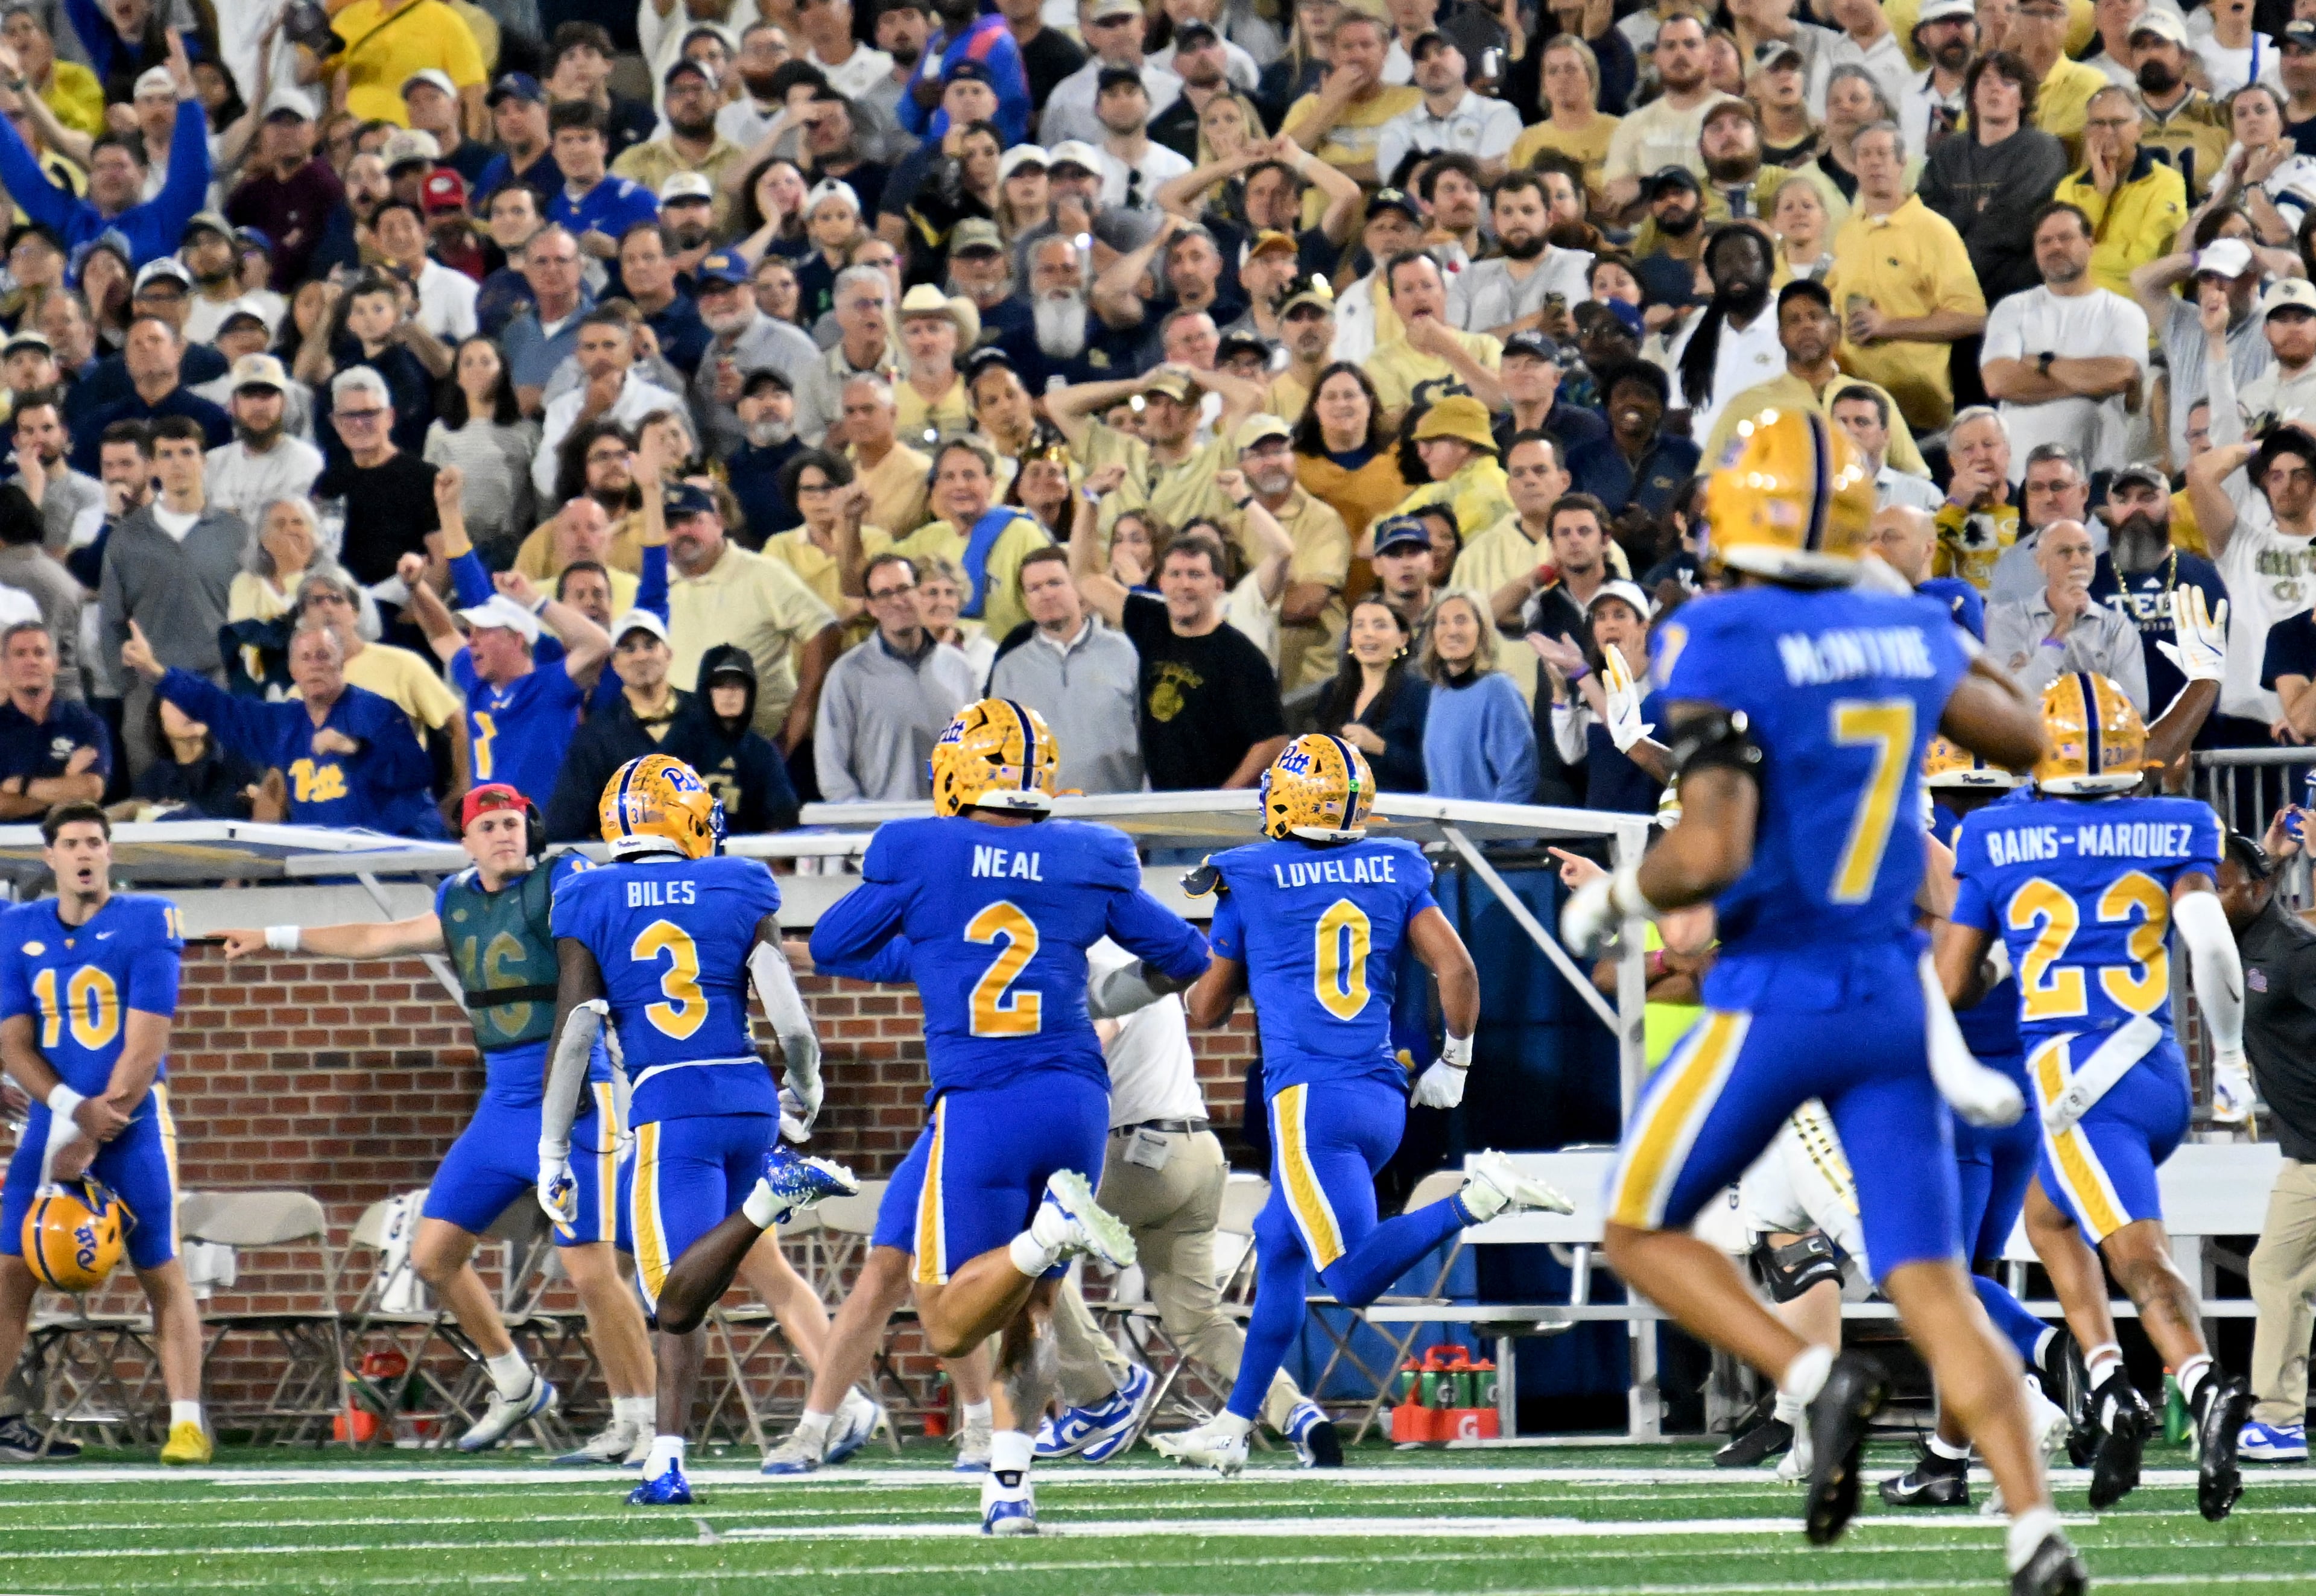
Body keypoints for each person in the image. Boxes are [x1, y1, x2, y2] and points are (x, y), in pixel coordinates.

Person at [1555, 408, 2083, 1590]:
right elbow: (2023, 740)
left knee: (1635, 1228)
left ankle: (1810, 1379)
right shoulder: (1900, 623)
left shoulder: (1718, 632)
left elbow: (1715, 843)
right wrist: (1918, 635)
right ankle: (2033, 1528)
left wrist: (1616, 904)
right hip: (1896, 995)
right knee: (1929, 1272)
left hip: (1776, 991)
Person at [1151, 733, 1570, 1475]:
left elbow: (1208, 1010)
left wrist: (1195, 974)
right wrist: (1458, 1059)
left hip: (1308, 1100)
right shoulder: (1397, 863)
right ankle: (1236, 1425)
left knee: (1345, 1277)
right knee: (1281, 1249)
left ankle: (1475, 1201)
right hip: (1379, 1100)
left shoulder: (1245, 873)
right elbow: (1458, 968)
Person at [214, 786, 659, 1463]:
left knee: (591, 1268)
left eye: (514, 822)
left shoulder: (562, 879)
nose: (505, 834)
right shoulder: (456, 900)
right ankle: (513, 1381)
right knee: (432, 1256)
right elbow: (377, 937)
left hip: (573, 1092)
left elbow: (614, 914)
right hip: (503, 1101)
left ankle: (644, 1422)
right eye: (490, 826)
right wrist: (275, 935)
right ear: (467, 841)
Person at [1938, 673, 2253, 1524]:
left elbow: (1954, 981)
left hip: (2075, 1079)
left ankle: (2201, 1381)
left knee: (2134, 1251)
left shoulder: (1992, 832)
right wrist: (2228, 1055)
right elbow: (2206, 936)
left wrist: (2001, 961)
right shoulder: (2178, 820)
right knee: (2048, 1218)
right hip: (2157, 1069)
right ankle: (2112, 1383)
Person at [540, 752, 854, 1507]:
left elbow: (578, 1029)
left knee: (669, 1296)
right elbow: (785, 1006)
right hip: (748, 1095)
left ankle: (766, 1201)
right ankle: (666, 1465)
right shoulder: (739, 883)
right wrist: (805, 1087)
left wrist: (553, 1145)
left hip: (669, 1105)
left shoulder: (586, 893)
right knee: (689, 1298)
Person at [0, 804, 205, 1463]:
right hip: (51, 1120)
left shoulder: (147, 920)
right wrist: (66, 1108)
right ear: (50, 858)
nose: (84, 852)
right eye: (71, 843)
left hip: (136, 1119)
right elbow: (13, 1041)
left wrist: (101, 1120)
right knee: (9, 1272)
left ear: (109, 853)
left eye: (95, 841)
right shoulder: (16, 929)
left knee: (159, 1267)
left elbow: (147, 1041)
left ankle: (186, 1423)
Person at [2218, 820, 2316, 1462]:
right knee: (2280, 1272)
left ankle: (2279, 1419)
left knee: (2276, 1271)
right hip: (2306, 1149)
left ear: (2258, 890)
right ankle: (2279, 1417)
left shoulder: (2293, 951)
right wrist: (2273, 856)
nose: (2205, 899)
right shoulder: (2232, 937)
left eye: (2222, 887)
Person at [1069, 506, 1288, 790]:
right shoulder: (1151, 621)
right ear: (1161, 582)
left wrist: (1221, 800)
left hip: (1221, 816)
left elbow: (1273, 742)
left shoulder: (1241, 656)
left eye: (1195, 575)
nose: (1184, 584)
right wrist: (1092, 500)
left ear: (1218, 585)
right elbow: (1085, 577)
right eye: (1175, 574)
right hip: (1161, 804)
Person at [95, 414, 244, 779]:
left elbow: (254, 612)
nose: (177, 463)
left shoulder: (236, 533)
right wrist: (128, 688)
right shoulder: (127, 537)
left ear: (203, 460)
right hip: (148, 685)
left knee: (228, 790)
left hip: (219, 682)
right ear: (153, 465)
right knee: (152, 798)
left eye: (187, 452)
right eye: (167, 454)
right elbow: (111, 621)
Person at [1824, 119, 1987, 432]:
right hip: (1854, 408)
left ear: (1902, 163)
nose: (1874, 162)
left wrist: (1888, 326)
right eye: (1866, 155)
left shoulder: (1933, 230)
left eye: (1884, 154)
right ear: (1854, 166)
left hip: (1919, 411)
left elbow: (1972, 316)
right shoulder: (1849, 233)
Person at [665, 482, 842, 753]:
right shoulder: (658, 588)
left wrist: (797, 720)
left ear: (719, 522)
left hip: (763, 752)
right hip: (688, 756)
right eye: (671, 525)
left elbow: (825, 629)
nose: (682, 533)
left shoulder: (761, 573)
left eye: (693, 520)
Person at [0, 33, 207, 262]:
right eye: (100, 167)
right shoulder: (72, 223)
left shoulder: (163, 219)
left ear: (143, 173)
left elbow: (191, 174)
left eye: (119, 166)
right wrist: (15, 80)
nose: (110, 174)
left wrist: (187, 95)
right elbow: (21, 172)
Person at [1981, 204, 2149, 475]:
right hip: (2019, 477)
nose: (2055, 247)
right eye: (2045, 241)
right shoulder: (2012, 308)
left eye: (2065, 237)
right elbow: (1998, 381)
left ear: (2090, 243)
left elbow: (2123, 376)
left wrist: (2044, 363)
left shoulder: (2123, 312)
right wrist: (2091, 382)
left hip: (2097, 476)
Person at [814, 552, 979, 801]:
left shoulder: (958, 668)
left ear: (919, 594)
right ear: (871, 607)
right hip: (881, 828)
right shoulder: (847, 675)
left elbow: (979, 752)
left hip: (951, 825)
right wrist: (861, 821)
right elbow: (832, 771)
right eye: (884, 594)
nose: (897, 601)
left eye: (904, 589)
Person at [1984, 519, 2150, 713]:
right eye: (2064, 552)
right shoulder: (2008, 620)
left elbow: (2137, 709)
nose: (2077, 561)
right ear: (2042, 563)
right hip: (2032, 740)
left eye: (2085, 550)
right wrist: (2060, 630)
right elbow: (2012, 704)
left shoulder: (2117, 627)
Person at [423, 337, 538, 565]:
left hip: (509, 546)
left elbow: (541, 497)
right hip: (454, 543)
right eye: (468, 363)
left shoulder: (526, 432)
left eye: (486, 362)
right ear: (457, 375)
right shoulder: (440, 432)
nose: (477, 370)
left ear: (502, 371)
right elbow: (429, 493)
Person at [1418, 587, 1536, 802]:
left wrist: (1494, 833)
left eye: (1462, 620)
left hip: (1488, 833)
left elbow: (1518, 777)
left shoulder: (1499, 690)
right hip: (1445, 832)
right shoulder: (1438, 692)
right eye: (1442, 622)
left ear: (1482, 630)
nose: (1451, 631)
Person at [1316, 595, 1428, 791]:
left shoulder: (1419, 693)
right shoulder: (1333, 691)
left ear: (1403, 638)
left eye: (1380, 625)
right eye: (1359, 626)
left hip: (1396, 812)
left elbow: (1430, 770)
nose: (1369, 634)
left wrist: (1380, 747)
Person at [201, 353, 323, 531]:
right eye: (249, 395)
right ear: (233, 405)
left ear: (283, 403)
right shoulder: (212, 463)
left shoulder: (306, 460)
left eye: (267, 394)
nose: (259, 406)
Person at [0, 617, 102, 815]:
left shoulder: (84, 722)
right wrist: (66, 780)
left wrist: (23, 785)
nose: (31, 661)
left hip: (67, 839)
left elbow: (91, 789)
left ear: (55, 664)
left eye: (40, 653)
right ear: (4, 666)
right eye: (20, 654)